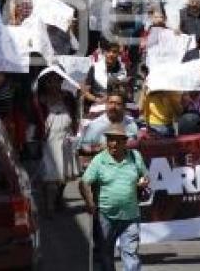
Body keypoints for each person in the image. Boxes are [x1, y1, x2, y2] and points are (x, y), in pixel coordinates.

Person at [79, 123, 149, 271]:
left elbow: (145, 176)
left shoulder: (135, 157)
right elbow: (84, 182)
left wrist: (143, 182)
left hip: (130, 216)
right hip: (106, 217)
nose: (114, 143)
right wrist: (89, 202)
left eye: (118, 140)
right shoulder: (99, 160)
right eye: (110, 139)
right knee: (106, 257)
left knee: (131, 255)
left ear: (125, 142)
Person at [79, 92, 140, 157]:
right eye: (111, 103)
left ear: (124, 107)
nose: (113, 107)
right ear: (106, 105)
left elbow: (137, 146)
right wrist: (100, 148)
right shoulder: (94, 125)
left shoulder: (131, 124)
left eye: (118, 104)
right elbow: (83, 148)